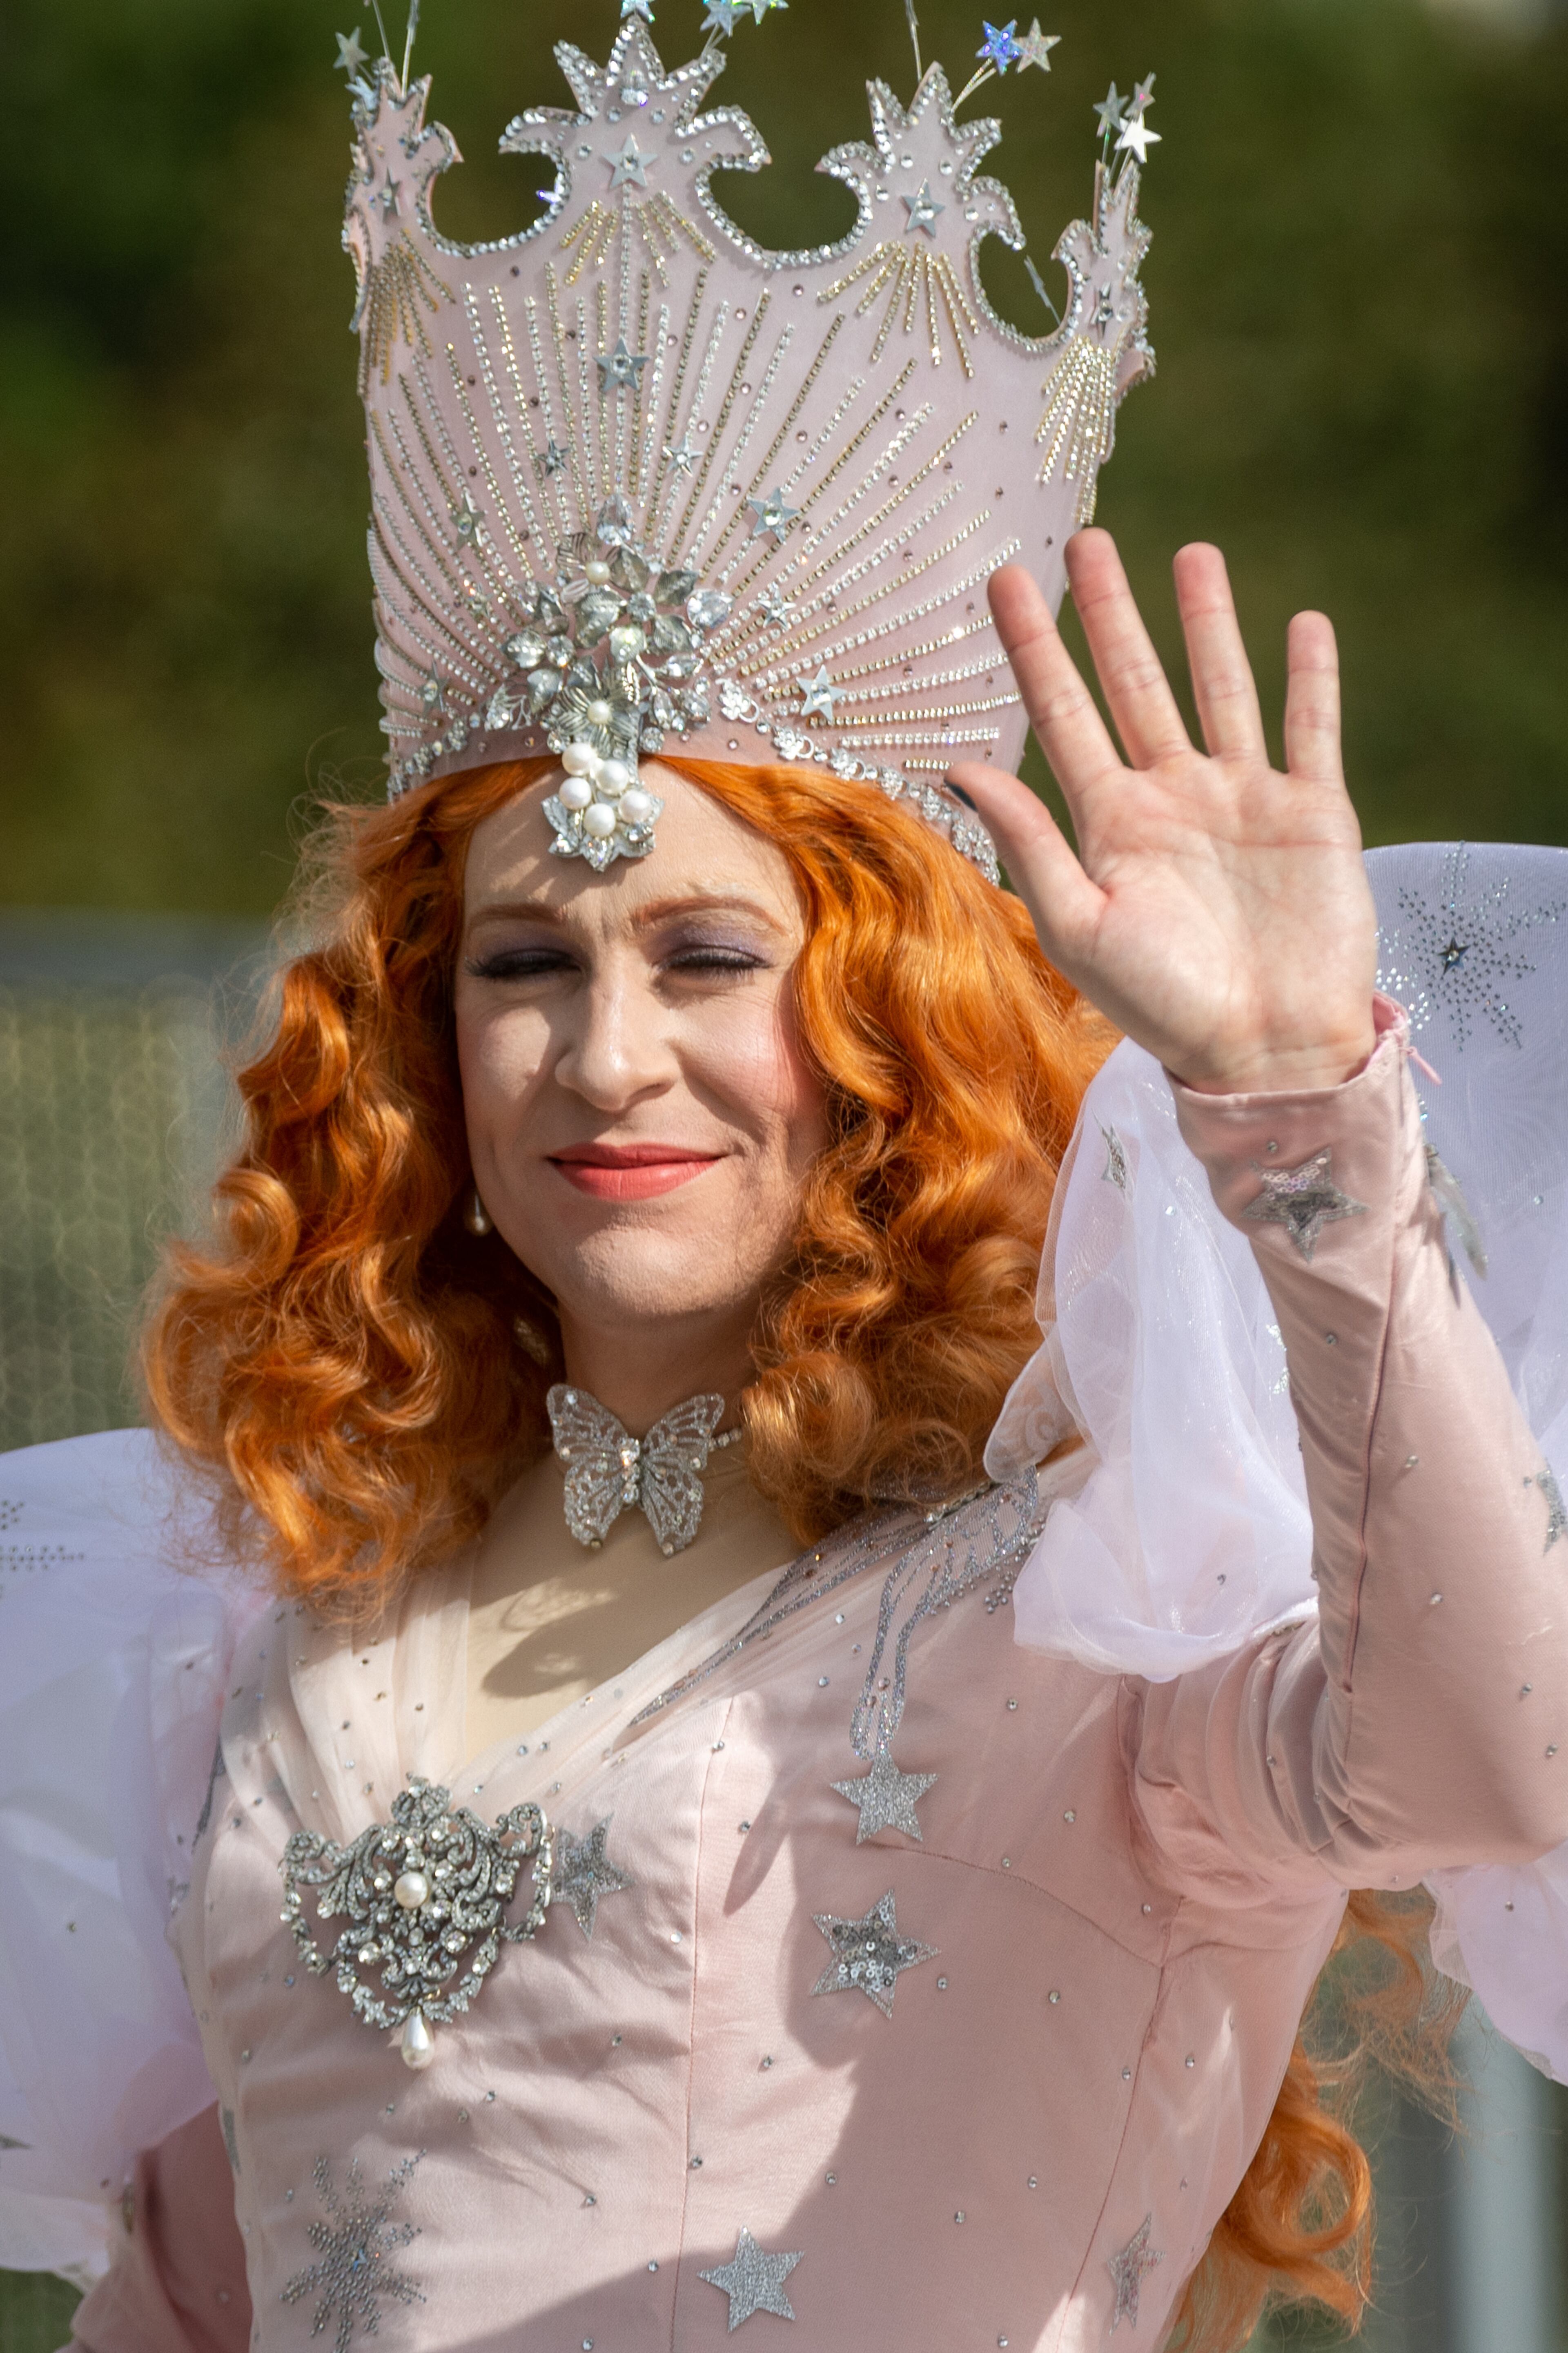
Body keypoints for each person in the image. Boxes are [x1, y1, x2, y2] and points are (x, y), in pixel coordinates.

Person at [4, 16, 1568, 2353]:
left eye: (708, 953)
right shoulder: (236, 1629)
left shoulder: (1090, 1593)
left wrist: (1290, 1103)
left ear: (892, 1014)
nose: (605, 1050)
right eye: (525, 958)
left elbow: (1480, 1748)